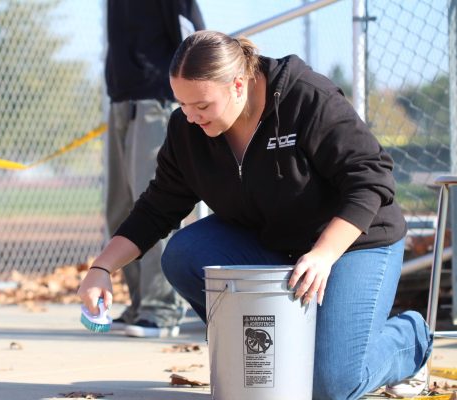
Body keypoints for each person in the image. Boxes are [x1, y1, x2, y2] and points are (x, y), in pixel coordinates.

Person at [80, 30, 433, 398]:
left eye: (201, 105)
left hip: (353, 242)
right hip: (274, 244)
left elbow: (371, 179)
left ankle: (411, 337)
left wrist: (325, 253)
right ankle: (271, 351)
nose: (190, 117)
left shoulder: (306, 97)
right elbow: (156, 207)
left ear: (237, 85)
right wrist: (101, 269)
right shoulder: (188, 129)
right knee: (185, 253)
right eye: (181, 104)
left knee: (331, 385)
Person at [103, 0, 204, 338]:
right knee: (118, 208)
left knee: (153, 203)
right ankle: (139, 304)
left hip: (157, 100)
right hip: (121, 99)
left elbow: (194, 41)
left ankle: (162, 308)